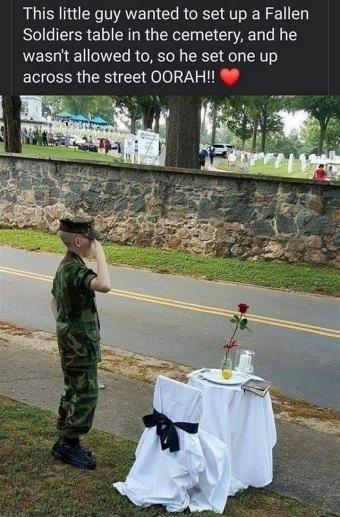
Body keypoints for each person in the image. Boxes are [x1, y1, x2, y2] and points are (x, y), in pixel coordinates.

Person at [51, 216, 111, 470]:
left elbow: (53, 301)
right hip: (80, 345)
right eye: (91, 239)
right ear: (78, 240)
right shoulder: (75, 269)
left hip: (72, 342)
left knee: (73, 390)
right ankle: (67, 442)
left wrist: (65, 327)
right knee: (87, 392)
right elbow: (104, 284)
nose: (94, 242)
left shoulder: (65, 265)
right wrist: (101, 255)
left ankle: (67, 441)